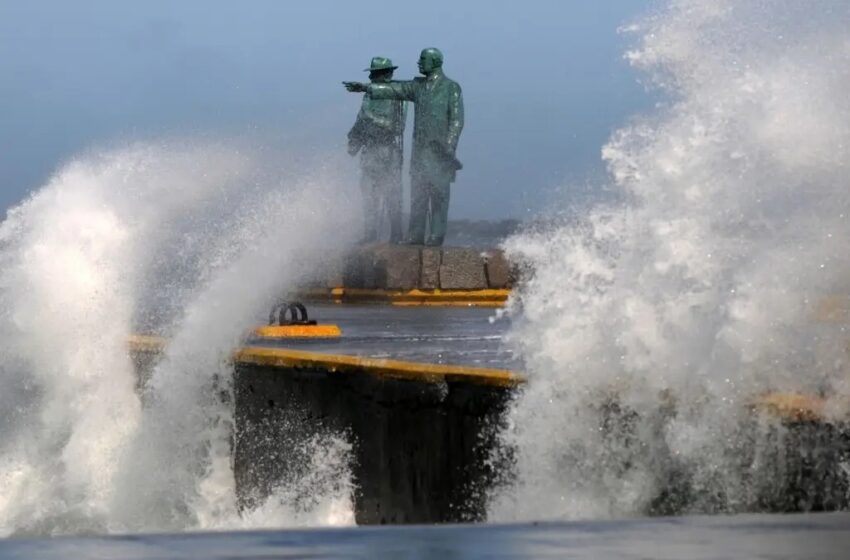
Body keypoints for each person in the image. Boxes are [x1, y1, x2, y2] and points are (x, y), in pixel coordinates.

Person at [344, 48, 463, 246]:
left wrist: (450, 146)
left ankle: (435, 234)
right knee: (418, 194)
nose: (418, 63)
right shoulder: (417, 86)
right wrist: (366, 88)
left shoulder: (451, 87)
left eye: (422, 59)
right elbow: (392, 91)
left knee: (439, 194)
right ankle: (415, 234)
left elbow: (457, 120)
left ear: (435, 62)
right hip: (418, 151)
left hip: (439, 151)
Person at [347, 56, 407, 242]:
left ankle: (396, 235)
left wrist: (371, 119)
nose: (372, 77)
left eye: (376, 73)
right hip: (369, 151)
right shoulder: (369, 95)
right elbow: (360, 119)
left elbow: (397, 127)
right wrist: (353, 139)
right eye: (372, 73)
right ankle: (370, 235)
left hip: (388, 151)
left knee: (392, 194)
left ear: (387, 74)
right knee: (368, 194)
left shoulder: (398, 96)